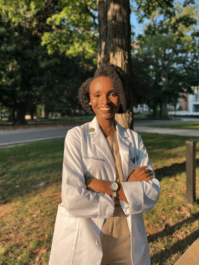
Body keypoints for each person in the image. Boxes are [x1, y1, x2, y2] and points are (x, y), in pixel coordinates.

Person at [49, 64, 161, 265]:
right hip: (87, 234)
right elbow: (73, 199)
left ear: (121, 97)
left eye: (112, 94)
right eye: (97, 95)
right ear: (89, 100)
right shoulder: (77, 137)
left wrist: (104, 187)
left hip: (127, 237)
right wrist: (127, 189)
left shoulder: (134, 139)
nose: (105, 101)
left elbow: (151, 193)